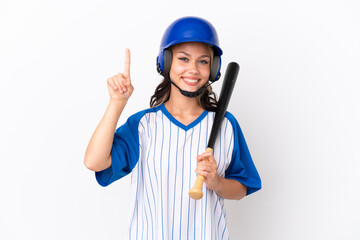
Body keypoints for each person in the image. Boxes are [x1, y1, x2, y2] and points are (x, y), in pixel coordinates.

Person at [84, 16, 261, 239]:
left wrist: (217, 182)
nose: (193, 69)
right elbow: (94, 162)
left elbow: (242, 189)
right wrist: (117, 103)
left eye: (203, 61)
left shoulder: (226, 125)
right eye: (184, 59)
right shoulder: (143, 125)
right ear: (166, 62)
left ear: (214, 67)